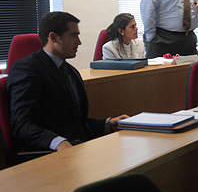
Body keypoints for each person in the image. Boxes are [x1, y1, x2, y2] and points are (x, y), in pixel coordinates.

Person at [7, 12, 128, 152]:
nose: (79, 42)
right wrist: (58, 142)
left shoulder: (70, 71)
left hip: (77, 149)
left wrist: (107, 123)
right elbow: (22, 125)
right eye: (73, 35)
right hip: (49, 155)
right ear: (53, 37)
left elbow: (73, 123)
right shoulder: (27, 69)